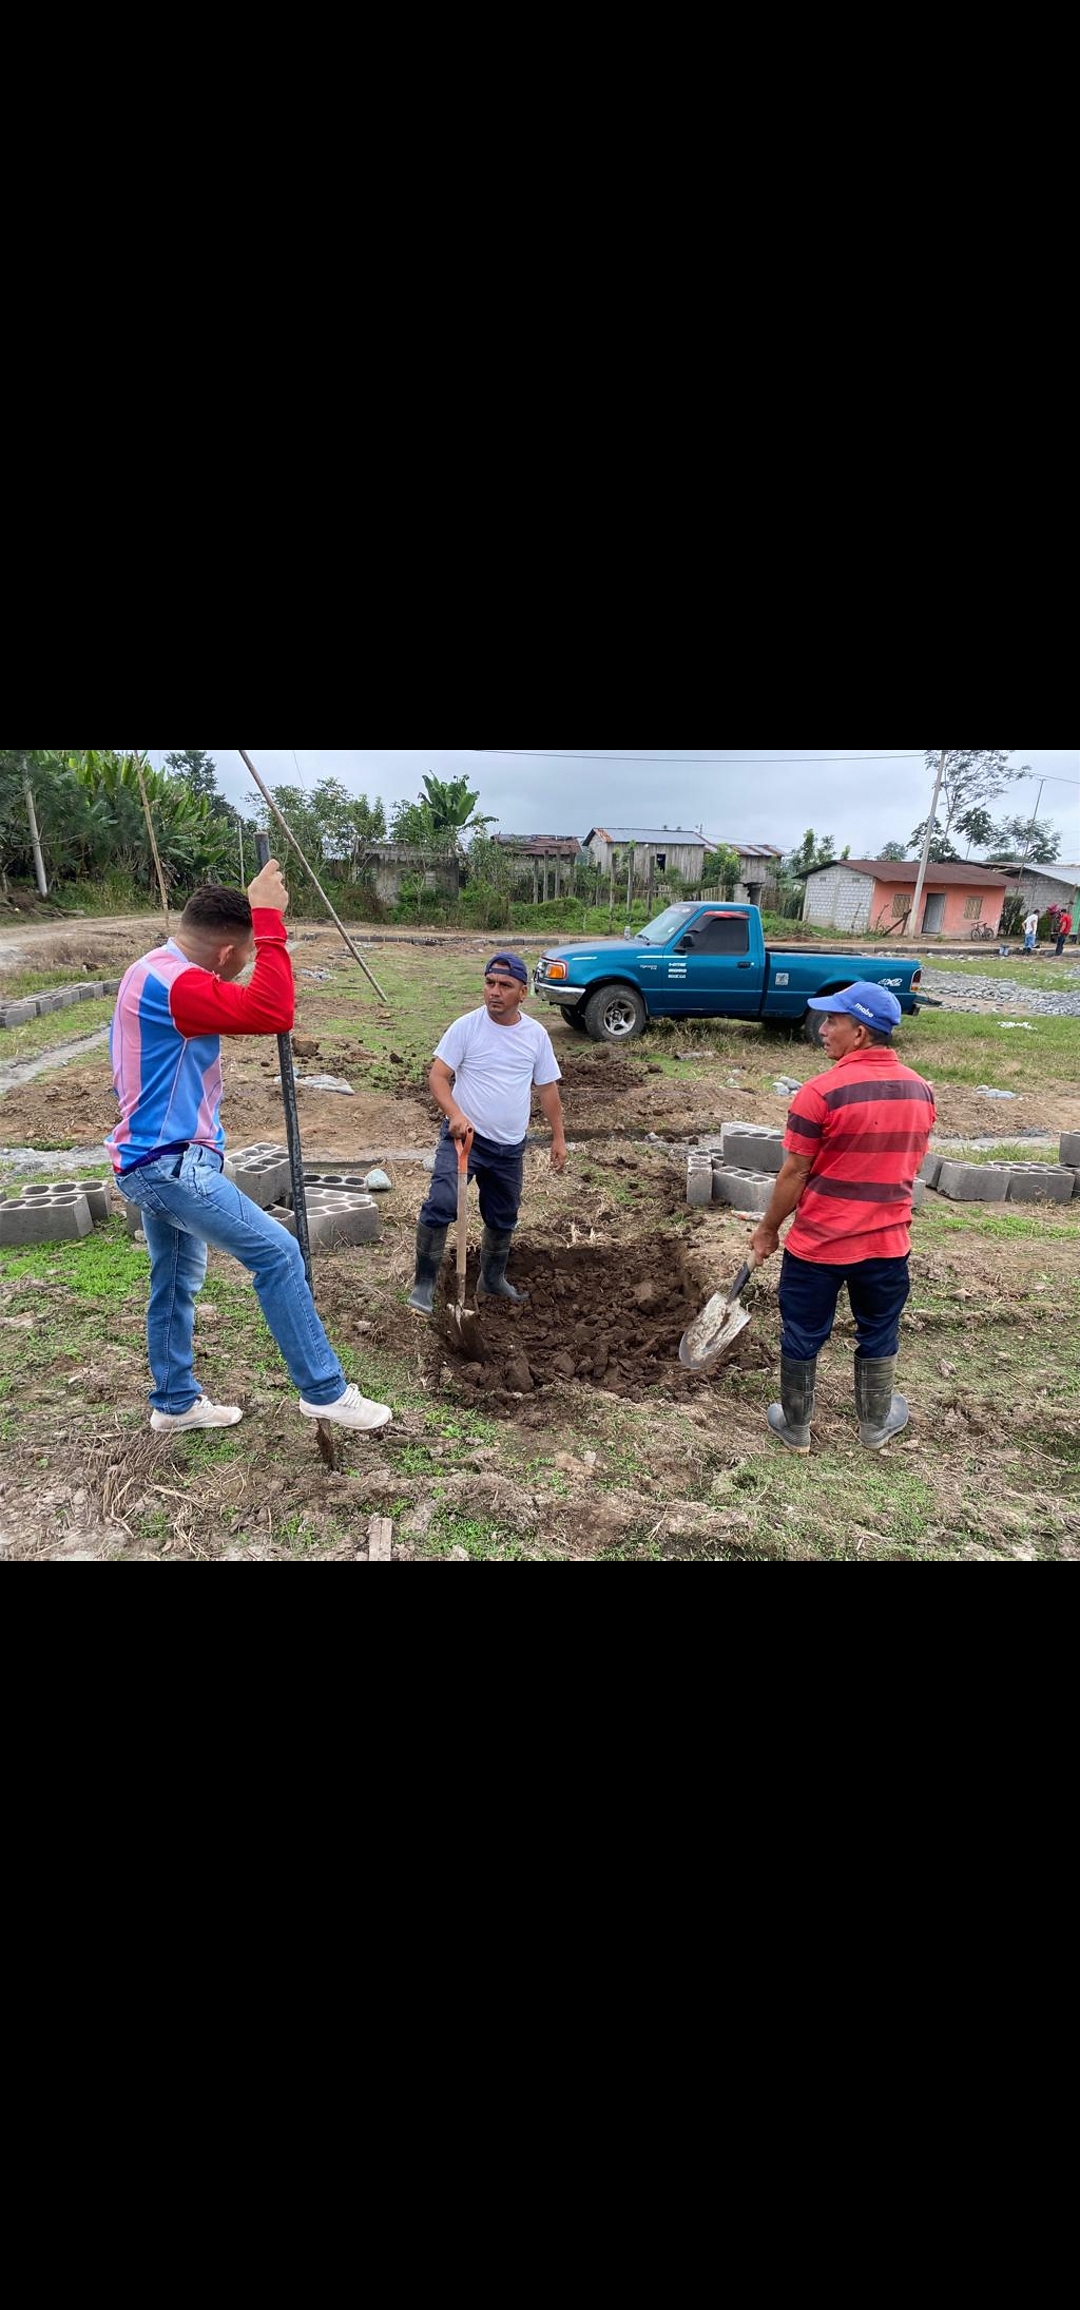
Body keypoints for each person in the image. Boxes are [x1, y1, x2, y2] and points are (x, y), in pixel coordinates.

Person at [109, 865, 392, 1437]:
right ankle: (325, 1392)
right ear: (226, 953)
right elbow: (272, 1012)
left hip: (151, 1159)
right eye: (246, 957)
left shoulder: (152, 968)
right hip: (169, 1166)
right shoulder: (178, 985)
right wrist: (269, 921)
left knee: (174, 1281)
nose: (246, 968)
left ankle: (174, 1402)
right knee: (279, 1253)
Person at [749, 984, 935, 1456]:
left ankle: (795, 1425)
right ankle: (875, 1424)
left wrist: (768, 1228)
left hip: (820, 1245)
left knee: (802, 1330)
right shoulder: (921, 1090)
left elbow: (795, 1172)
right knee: (879, 1328)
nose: (823, 1029)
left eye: (833, 1021)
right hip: (886, 1245)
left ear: (860, 1032)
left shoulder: (820, 1093)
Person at [410, 953, 568, 1315]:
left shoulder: (535, 1035)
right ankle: (425, 1283)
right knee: (442, 1203)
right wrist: (455, 1114)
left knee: (503, 1215)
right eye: (489, 983)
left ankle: (492, 1279)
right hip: (465, 1140)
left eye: (505, 986)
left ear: (523, 993)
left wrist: (558, 1137)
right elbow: (438, 1076)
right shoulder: (467, 1027)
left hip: (510, 1147)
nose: (494, 992)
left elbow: (548, 1089)